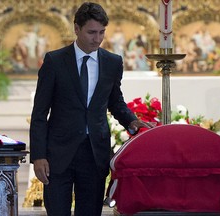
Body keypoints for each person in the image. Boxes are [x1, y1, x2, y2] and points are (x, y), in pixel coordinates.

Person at [29, 2, 153, 216]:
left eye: (102, 32)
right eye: (91, 32)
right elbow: (39, 113)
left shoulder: (113, 62)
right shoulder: (54, 61)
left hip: (94, 154)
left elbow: (115, 101)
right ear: (76, 29)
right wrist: (38, 156)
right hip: (58, 155)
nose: (97, 39)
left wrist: (131, 121)